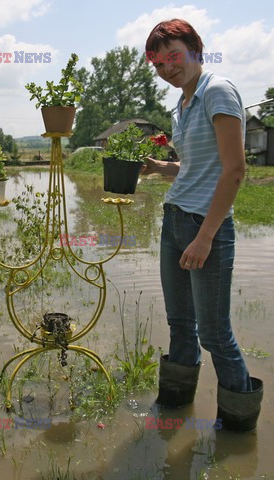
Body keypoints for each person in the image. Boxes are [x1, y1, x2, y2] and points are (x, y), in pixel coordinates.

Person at [142, 18, 263, 431]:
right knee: (180, 324)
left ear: (195, 48)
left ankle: (237, 428)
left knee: (214, 334)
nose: (167, 67)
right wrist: (162, 167)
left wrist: (205, 237)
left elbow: (234, 171)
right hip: (174, 221)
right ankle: (175, 410)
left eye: (172, 55)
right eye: (158, 64)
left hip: (204, 228)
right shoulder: (181, 103)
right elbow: (198, 167)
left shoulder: (217, 91)